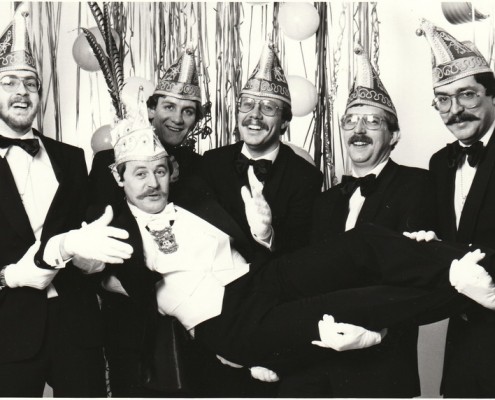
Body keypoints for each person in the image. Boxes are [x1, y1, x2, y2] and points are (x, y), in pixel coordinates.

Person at [96, 101, 494, 386]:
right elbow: (119, 283)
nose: (152, 183)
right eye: (139, 174)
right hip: (227, 322)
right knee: (356, 305)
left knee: (362, 241)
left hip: (261, 278)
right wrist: (73, 251)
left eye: (160, 170)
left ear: (172, 172)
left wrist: (263, 232)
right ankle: (469, 288)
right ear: (118, 178)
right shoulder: (116, 231)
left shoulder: (195, 199)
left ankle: (467, 266)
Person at [279, 48, 437, 398]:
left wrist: (379, 331)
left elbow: (416, 274)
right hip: (320, 366)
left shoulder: (418, 185)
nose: (359, 130)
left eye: (373, 121)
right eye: (350, 121)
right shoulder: (325, 201)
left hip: (383, 365)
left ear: (394, 135)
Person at [0, 9, 132, 397]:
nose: (22, 92)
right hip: (7, 329)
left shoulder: (71, 157)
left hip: (76, 327)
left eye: (31, 83)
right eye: (8, 82)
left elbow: (85, 228)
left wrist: (93, 260)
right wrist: (8, 276)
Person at [416, 19, 495, 398]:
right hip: (464, 336)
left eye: (467, 95)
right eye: (443, 100)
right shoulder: (439, 163)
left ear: (492, 95)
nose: (455, 110)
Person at [201, 42, 323, 260]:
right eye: (247, 104)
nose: (255, 115)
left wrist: (267, 235)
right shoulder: (212, 162)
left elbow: (300, 252)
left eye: (268, 107)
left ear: (284, 122)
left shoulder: (306, 177)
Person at [88, 47, 204, 208]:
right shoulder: (107, 162)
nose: (177, 119)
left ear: (195, 120)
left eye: (188, 111)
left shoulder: (198, 165)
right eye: (169, 107)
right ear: (151, 109)